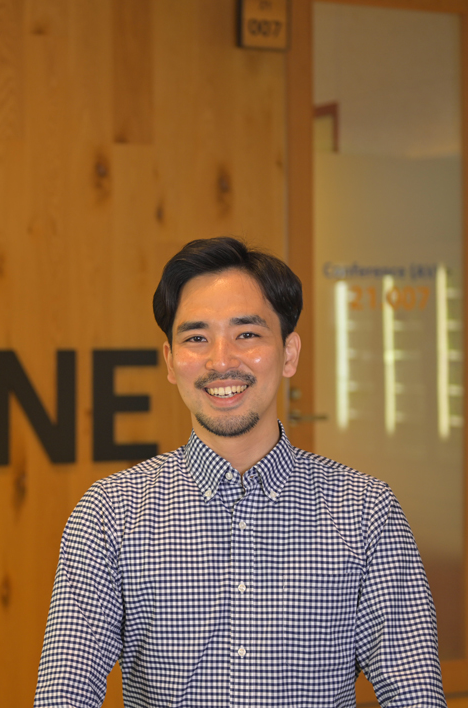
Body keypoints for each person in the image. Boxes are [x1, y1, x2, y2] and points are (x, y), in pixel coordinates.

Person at [33, 237, 445, 707]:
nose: (221, 361)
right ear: (170, 362)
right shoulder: (111, 514)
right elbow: (64, 695)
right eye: (196, 338)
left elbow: (414, 696)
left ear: (289, 353)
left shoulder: (366, 511)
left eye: (246, 334)